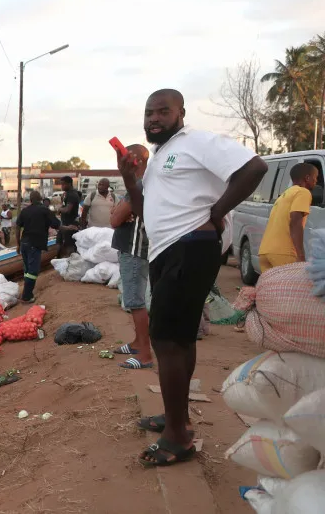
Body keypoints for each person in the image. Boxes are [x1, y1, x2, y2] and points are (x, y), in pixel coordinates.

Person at [119, 88, 267, 467]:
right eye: (149, 112)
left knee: (167, 339)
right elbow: (143, 211)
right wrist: (130, 179)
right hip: (166, 250)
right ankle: (177, 418)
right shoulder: (160, 156)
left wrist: (216, 212)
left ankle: (178, 438)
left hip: (190, 247)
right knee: (180, 338)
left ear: (180, 113)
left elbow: (254, 168)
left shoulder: (196, 142)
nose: (154, 118)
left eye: (162, 111)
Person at [110, 145, 153, 369]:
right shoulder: (140, 184)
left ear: (137, 161)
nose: (120, 163)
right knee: (133, 299)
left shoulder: (140, 186)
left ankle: (145, 354)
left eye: (124, 158)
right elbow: (117, 214)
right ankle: (138, 343)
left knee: (135, 301)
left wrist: (119, 212)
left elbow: (115, 219)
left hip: (134, 249)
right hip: (132, 248)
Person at [258, 162, 319, 270]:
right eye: (315, 177)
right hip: (284, 253)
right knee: (292, 281)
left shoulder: (285, 194)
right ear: (307, 178)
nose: (316, 181)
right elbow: (295, 222)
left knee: (272, 282)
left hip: (265, 252)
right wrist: (301, 255)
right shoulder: (303, 192)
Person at [15, 191, 62, 303]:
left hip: (24, 244)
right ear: (41, 198)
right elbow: (57, 225)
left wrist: (18, 244)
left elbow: (17, 227)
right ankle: (26, 296)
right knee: (33, 271)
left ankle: (27, 292)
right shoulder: (44, 210)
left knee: (27, 270)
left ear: (30, 200)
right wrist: (68, 228)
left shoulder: (25, 211)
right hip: (34, 244)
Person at [57, 176, 82, 258]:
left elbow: (68, 209)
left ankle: (70, 260)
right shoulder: (67, 194)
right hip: (64, 223)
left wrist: (60, 209)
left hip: (70, 225)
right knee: (59, 241)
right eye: (61, 184)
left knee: (69, 246)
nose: (62, 186)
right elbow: (65, 206)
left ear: (69, 184)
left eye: (63, 184)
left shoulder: (72, 194)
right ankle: (59, 258)